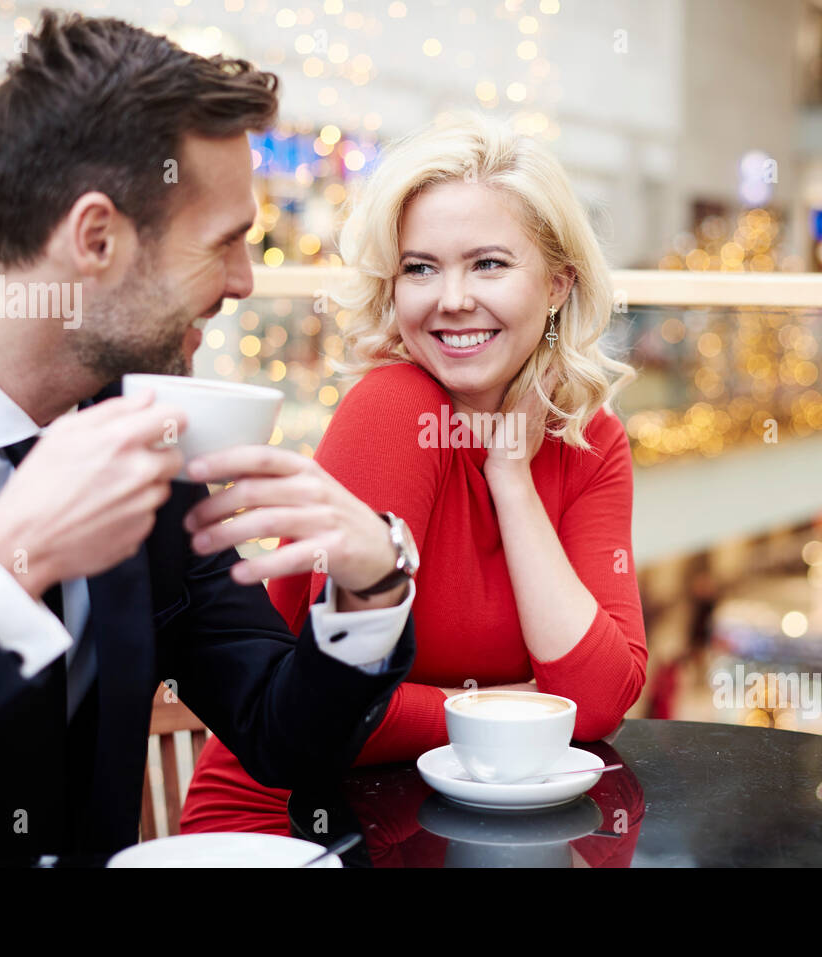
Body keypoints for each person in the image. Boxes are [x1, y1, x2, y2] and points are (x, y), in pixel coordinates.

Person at [0, 10, 423, 865]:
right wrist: (2, 563)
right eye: (225, 243)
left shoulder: (143, 435)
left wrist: (373, 584)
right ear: (96, 237)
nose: (246, 283)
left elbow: (281, 732)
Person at [181, 112, 648, 838]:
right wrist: (519, 705)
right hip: (295, 824)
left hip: (457, 828)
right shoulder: (394, 408)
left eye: (488, 263)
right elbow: (342, 713)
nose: (450, 298)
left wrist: (511, 474)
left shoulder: (591, 442)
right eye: (419, 267)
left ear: (557, 284)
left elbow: (595, 699)